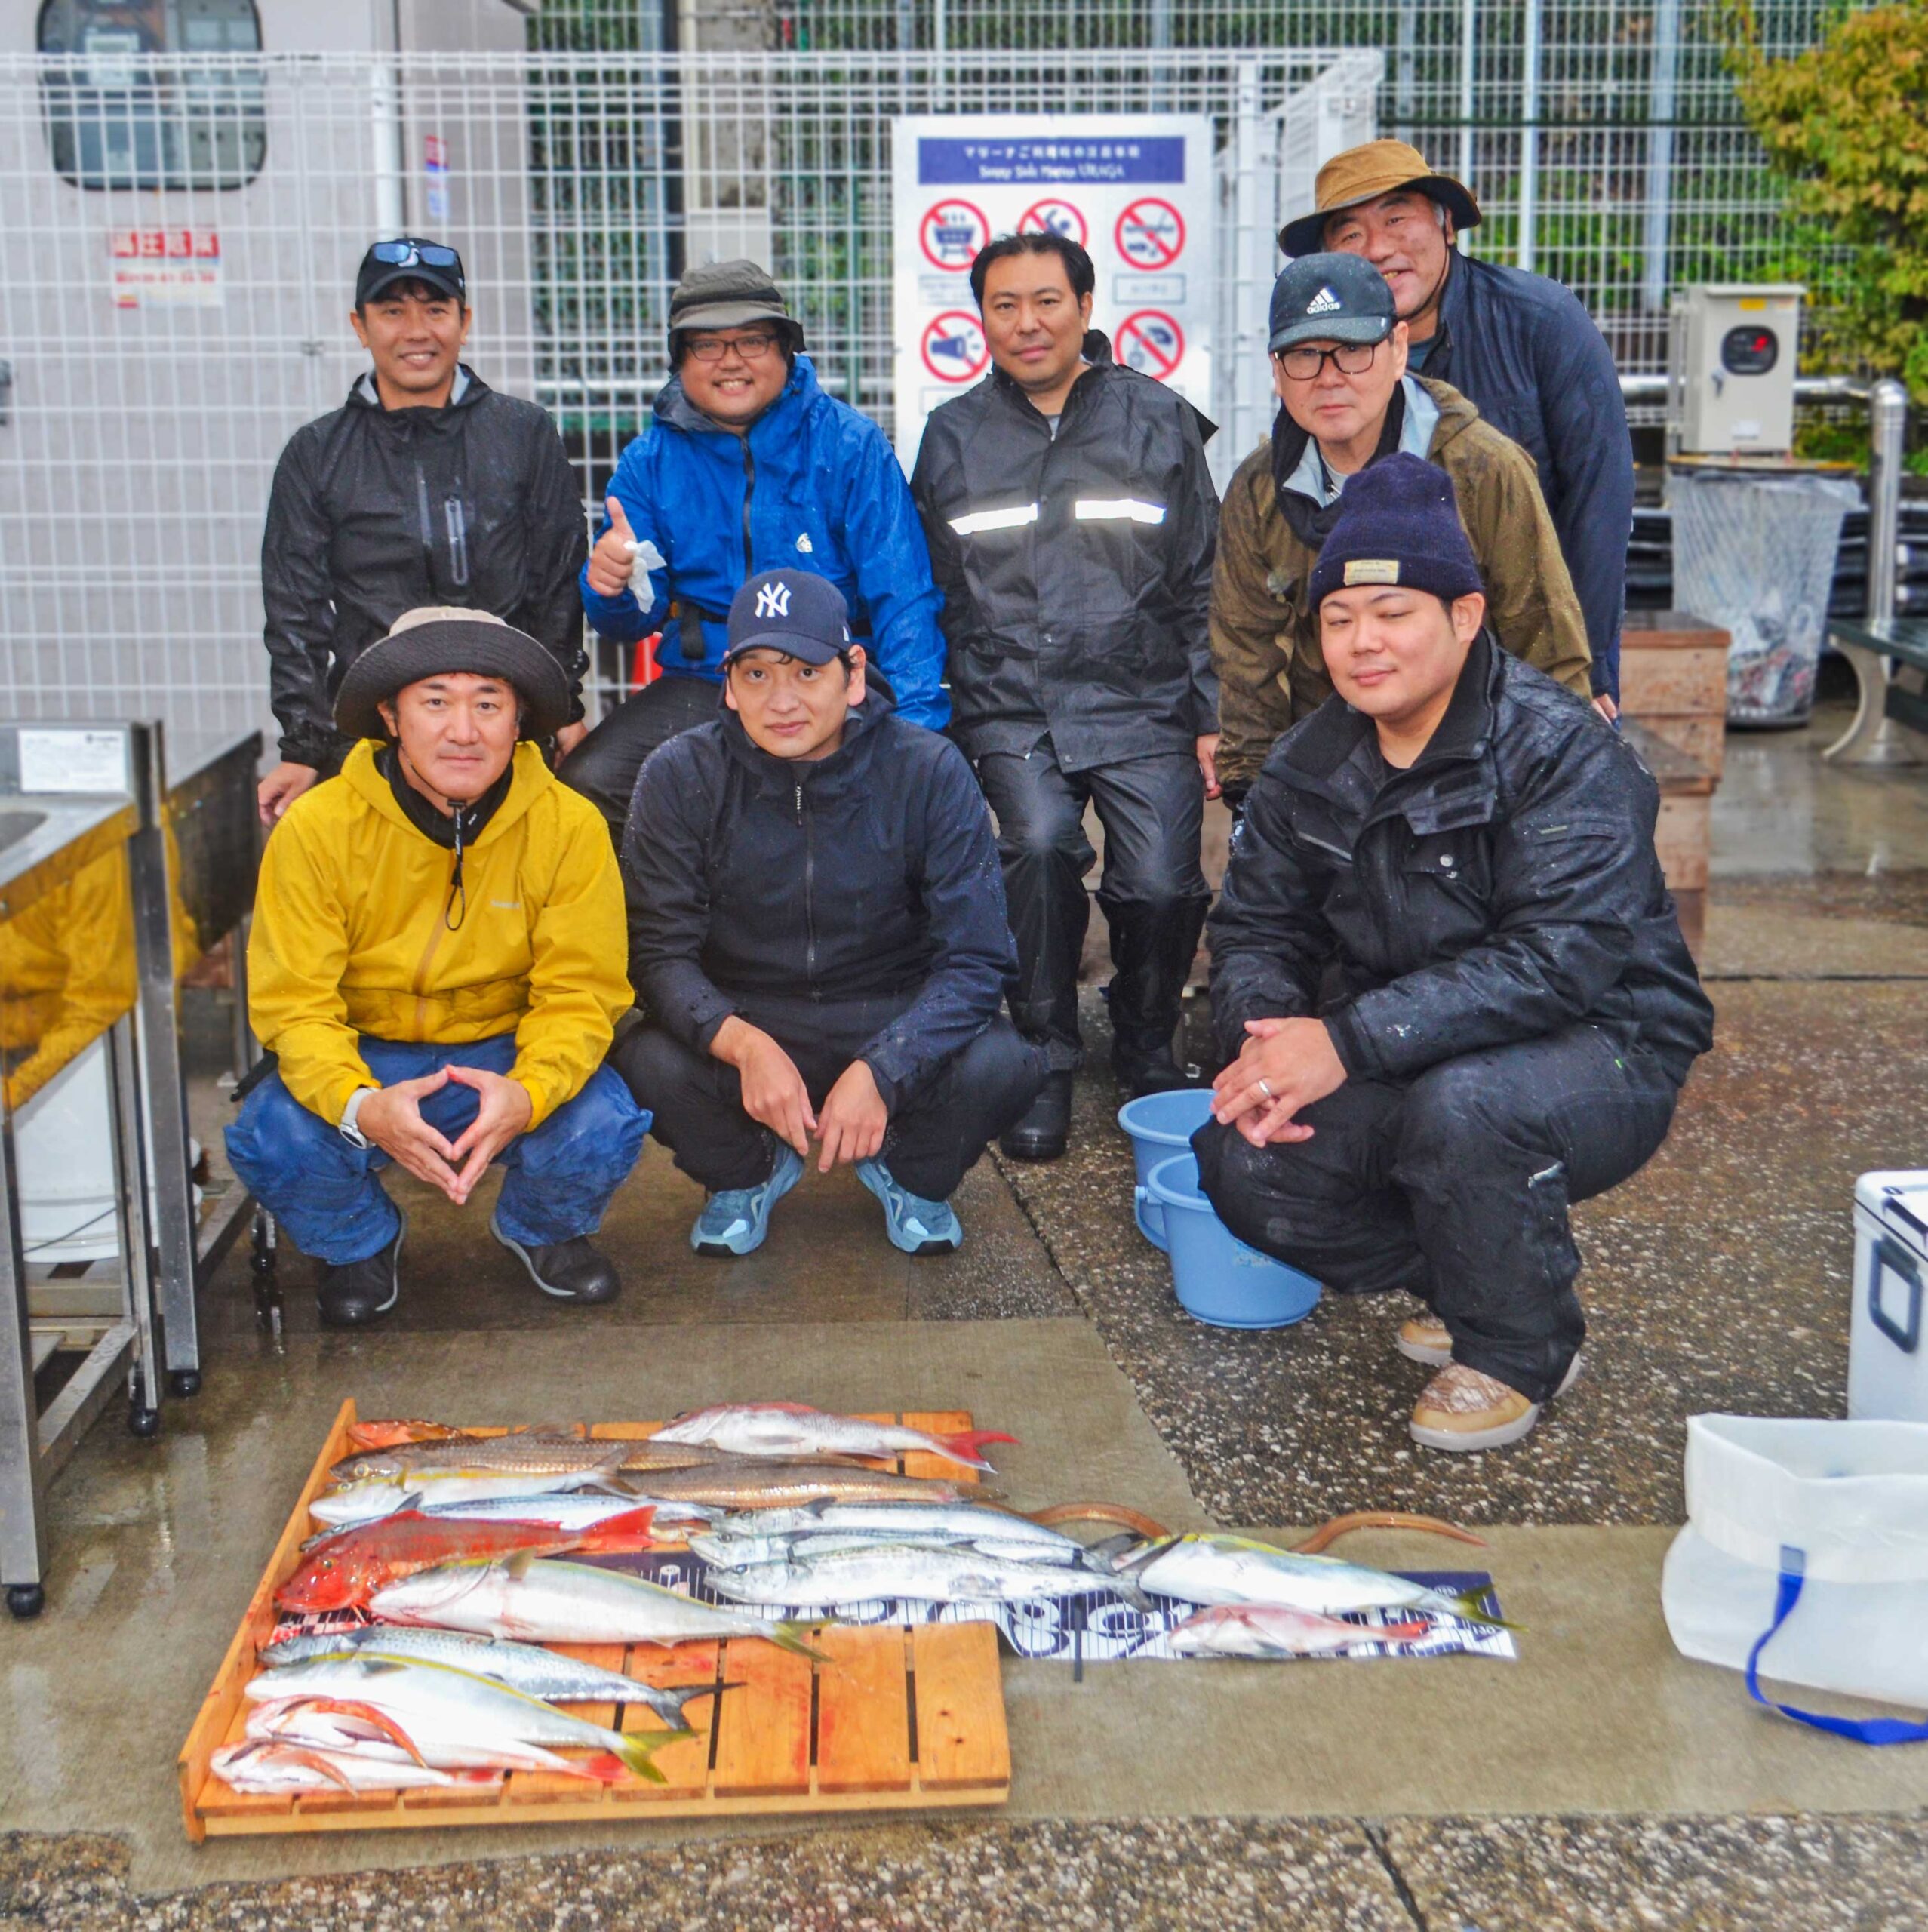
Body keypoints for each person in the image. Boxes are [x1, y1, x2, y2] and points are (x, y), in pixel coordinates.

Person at [1194, 454, 1713, 1452]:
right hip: (1406, 1044)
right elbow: (1257, 927)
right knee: (1243, 1159)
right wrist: (1261, 1048)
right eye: (1338, 619)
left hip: (1604, 1045)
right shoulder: (1309, 760)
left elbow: (1558, 961)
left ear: (1464, 615)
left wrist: (1344, 1041)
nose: (1361, 642)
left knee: (1463, 1110)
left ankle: (1518, 1349)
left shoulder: (1558, 750)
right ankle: (1478, 1274)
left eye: (1391, 613)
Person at [226, 608, 647, 1327]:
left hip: (504, 1047)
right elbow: (294, 1005)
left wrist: (530, 1093)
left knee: (600, 1122)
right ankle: (358, 1242)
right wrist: (360, 1104)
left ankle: (542, 1227)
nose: (464, 730)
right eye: (434, 702)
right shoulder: (318, 828)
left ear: (518, 720)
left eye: (488, 703)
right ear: (390, 716)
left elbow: (581, 991)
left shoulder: (569, 825)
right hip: (367, 1049)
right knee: (275, 1134)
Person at [614, 569, 1043, 1259]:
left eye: (807, 672)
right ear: (728, 685)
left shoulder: (928, 769)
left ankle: (908, 1171)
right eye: (756, 674)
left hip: (889, 1005)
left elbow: (978, 957)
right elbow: (656, 952)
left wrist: (887, 1068)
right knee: (644, 1059)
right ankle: (747, 1172)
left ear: (853, 673)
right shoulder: (679, 773)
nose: (781, 701)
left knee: (1005, 1062)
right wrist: (739, 1043)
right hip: (749, 1011)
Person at [910, 230, 1220, 1162]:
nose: (1026, 322)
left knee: (1161, 882)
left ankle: (1144, 1032)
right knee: (1037, 848)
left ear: (1084, 307)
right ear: (980, 319)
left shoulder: (1157, 420)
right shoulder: (953, 436)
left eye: (1046, 300)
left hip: (1141, 700)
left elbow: (1200, 579)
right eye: (1003, 305)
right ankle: (1043, 1052)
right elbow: (932, 589)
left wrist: (1211, 712)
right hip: (1010, 703)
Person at [566, 260, 947, 838]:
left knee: (863, 806)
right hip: (707, 678)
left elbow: (905, 599)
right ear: (679, 360)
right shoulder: (649, 461)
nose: (731, 361)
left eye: (752, 341)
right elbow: (631, 620)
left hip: (831, 675)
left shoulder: (850, 445)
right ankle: (670, 901)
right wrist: (610, 586)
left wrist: (917, 734)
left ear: (786, 350)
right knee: (588, 788)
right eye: (706, 345)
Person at [1210, 253, 1593, 800]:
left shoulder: (1483, 469)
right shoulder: (1258, 487)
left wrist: (1558, 788)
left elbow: (1545, 640)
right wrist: (1252, 793)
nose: (1329, 378)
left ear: (1397, 349)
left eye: (1353, 351)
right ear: (1276, 371)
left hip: (1473, 763)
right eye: (1303, 356)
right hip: (1327, 770)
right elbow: (1246, 654)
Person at [1281, 140, 1633, 706]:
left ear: (1446, 225)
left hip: (1533, 639)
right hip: (1391, 660)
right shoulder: (1321, 361)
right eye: (1349, 234)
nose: (1377, 249)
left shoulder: (1541, 321)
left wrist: (1584, 674)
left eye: (1396, 219)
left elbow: (1600, 499)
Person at [257, 239, 591, 826]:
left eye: (435, 310)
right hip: (373, 722)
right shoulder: (316, 453)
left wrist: (559, 706)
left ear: (464, 321)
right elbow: (294, 609)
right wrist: (303, 745)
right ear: (360, 327)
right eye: (392, 311)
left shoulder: (524, 433)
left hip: (501, 714)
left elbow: (557, 579)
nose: (416, 331)